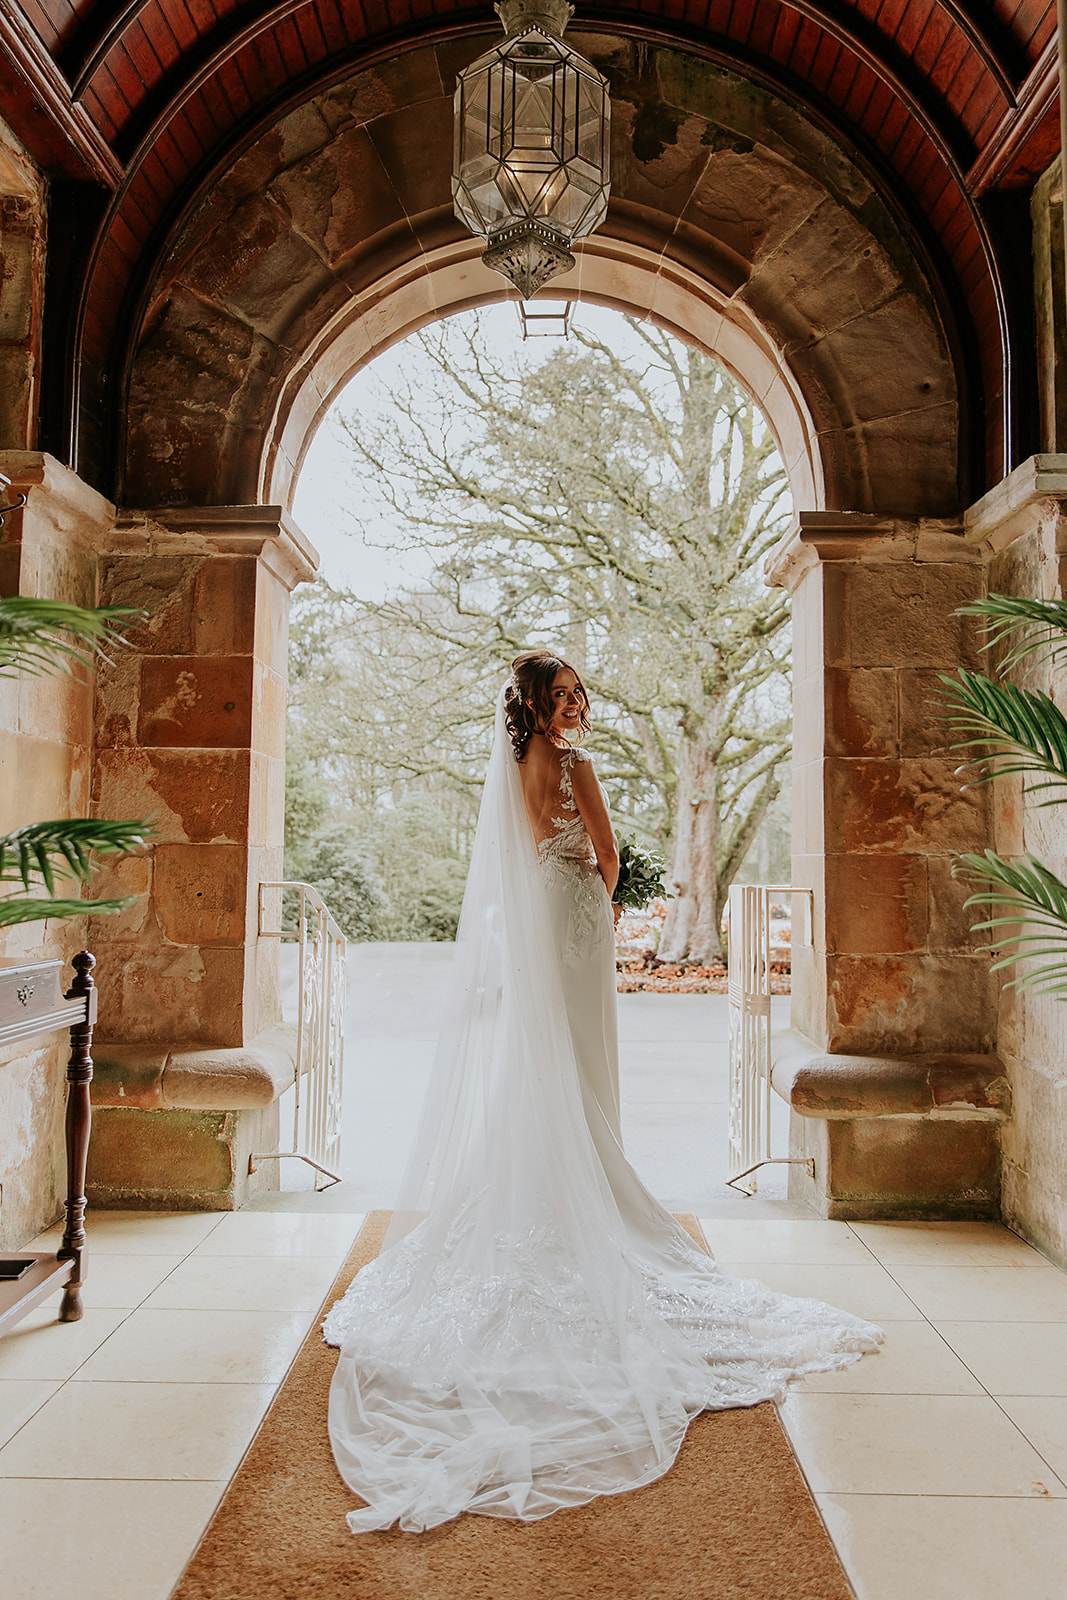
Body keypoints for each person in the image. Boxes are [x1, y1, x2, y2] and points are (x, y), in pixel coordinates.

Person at [324, 649, 881, 1534]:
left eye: (581, 694)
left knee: (539, 1054)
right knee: (582, 1052)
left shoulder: (509, 764)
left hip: (534, 910)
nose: (579, 705)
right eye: (567, 694)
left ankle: (541, 1177)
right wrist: (600, 895)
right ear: (541, 703)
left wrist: (561, 884)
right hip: (576, 905)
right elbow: (610, 854)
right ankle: (587, 1183)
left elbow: (517, 848)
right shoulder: (576, 764)